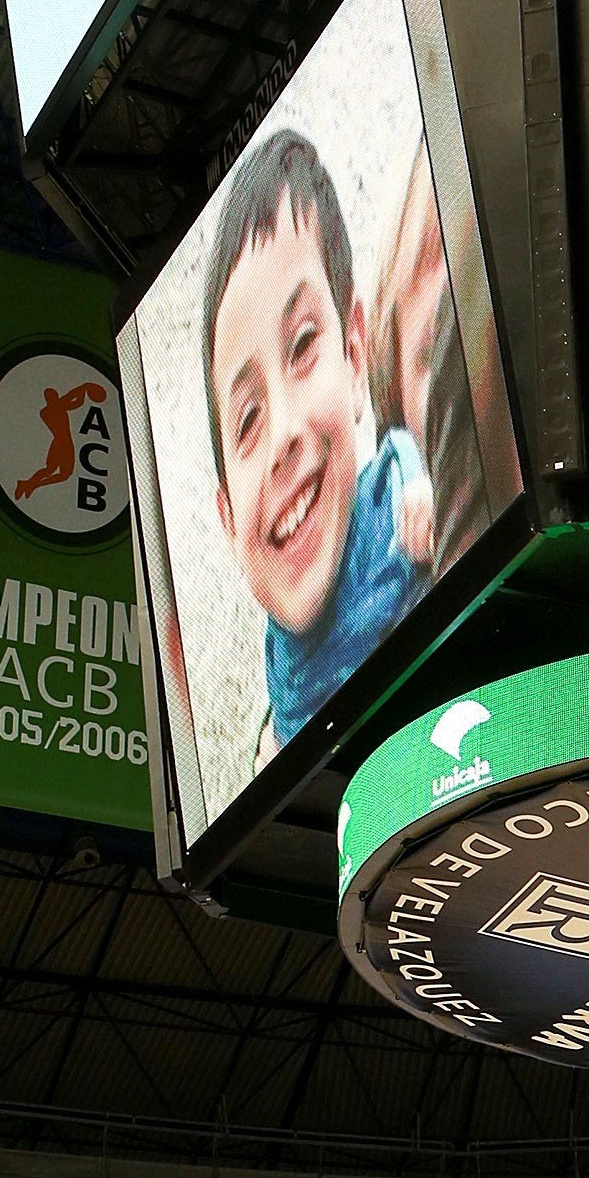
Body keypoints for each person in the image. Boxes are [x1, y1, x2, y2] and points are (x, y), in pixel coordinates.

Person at [198, 127, 438, 770]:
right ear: (227, 519)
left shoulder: (406, 512)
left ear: (355, 360)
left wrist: (428, 505)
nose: (281, 437)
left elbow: (411, 470)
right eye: (247, 418)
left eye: (302, 347)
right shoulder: (284, 698)